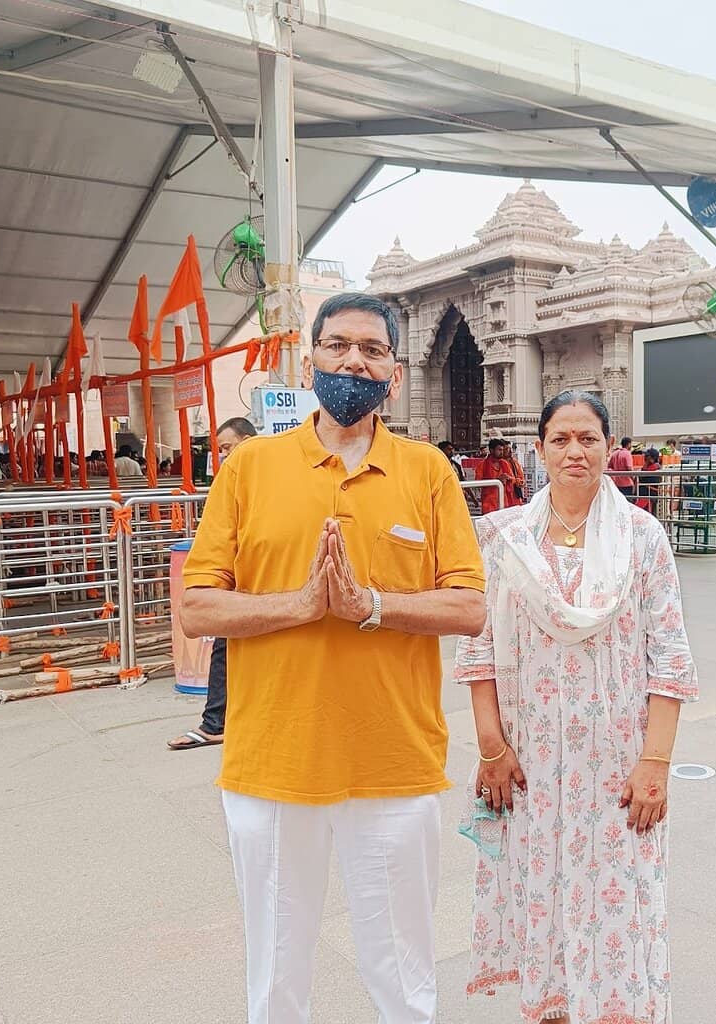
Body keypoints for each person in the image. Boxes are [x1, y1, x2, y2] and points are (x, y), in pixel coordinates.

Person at [179, 292, 485, 1024]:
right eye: (339, 345)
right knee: (278, 972)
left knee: (403, 971)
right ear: (310, 358)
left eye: (373, 349)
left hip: (394, 763)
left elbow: (470, 607)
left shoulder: (427, 472)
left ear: (396, 373)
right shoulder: (250, 467)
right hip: (273, 764)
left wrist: (371, 605)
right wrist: (301, 605)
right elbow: (196, 607)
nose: (354, 359)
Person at [454, 390, 697, 1024]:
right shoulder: (506, 539)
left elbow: (668, 658)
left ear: (610, 448)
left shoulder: (643, 538)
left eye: (588, 438)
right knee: (546, 899)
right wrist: (491, 749)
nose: (574, 452)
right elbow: (478, 652)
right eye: (560, 439)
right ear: (539, 450)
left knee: (618, 903)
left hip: (615, 765)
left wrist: (656, 764)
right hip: (530, 763)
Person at [167, 416, 257, 752]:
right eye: (220, 450)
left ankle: (217, 722)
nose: (223, 455)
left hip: (261, 578)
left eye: (227, 447)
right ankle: (216, 722)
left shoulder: (269, 474)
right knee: (225, 643)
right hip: (235, 578)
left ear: (248, 440)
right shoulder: (232, 479)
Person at [477, 437, 514, 515]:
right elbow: (478, 482)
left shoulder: (504, 463)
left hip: (504, 501)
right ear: (491, 450)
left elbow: (512, 478)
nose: (502, 452)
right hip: (489, 504)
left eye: (502, 450)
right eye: (499, 450)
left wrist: (508, 478)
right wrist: (496, 480)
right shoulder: (482, 465)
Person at [607, 434, 635, 501]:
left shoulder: (615, 453)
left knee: (619, 502)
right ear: (628, 444)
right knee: (628, 503)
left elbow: (610, 466)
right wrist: (634, 478)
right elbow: (629, 468)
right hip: (627, 484)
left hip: (617, 483)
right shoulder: (627, 453)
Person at [637, 446, 663, 515]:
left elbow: (643, 478)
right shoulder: (649, 467)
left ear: (652, 458)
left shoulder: (655, 468)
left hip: (649, 496)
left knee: (649, 514)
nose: (645, 457)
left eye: (647, 456)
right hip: (645, 496)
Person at [502, 440, 526, 506]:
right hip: (506, 497)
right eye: (507, 449)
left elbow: (521, 476)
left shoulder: (515, 462)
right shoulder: (500, 463)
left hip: (516, 496)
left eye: (511, 448)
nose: (510, 451)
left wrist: (522, 482)